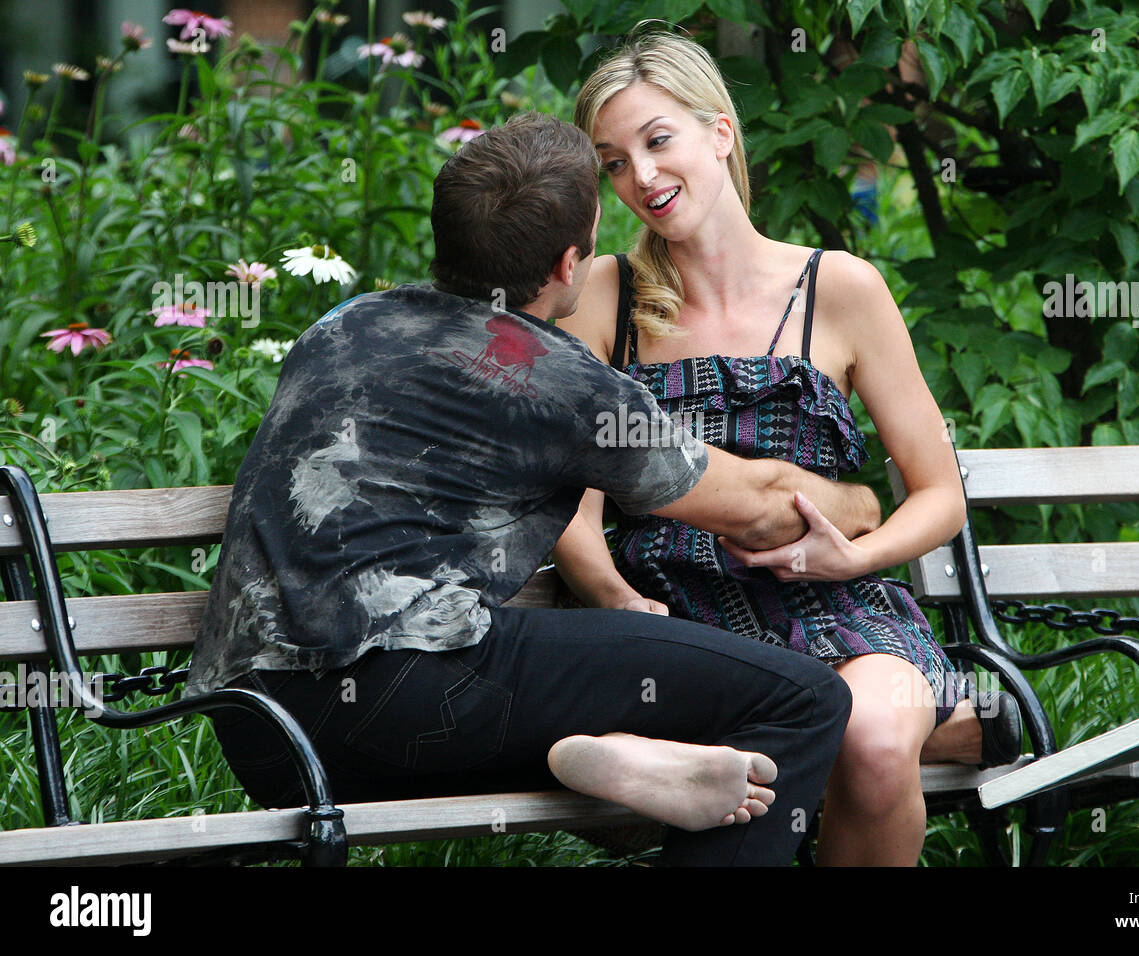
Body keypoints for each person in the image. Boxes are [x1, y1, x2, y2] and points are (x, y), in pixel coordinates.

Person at [185, 112, 884, 866]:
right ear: (567, 264)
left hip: (262, 733)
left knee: (541, 702)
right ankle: (615, 749)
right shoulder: (552, 378)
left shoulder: (345, 324)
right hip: (416, 685)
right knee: (803, 698)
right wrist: (864, 506)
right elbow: (757, 505)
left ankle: (601, 751)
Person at [554, 33, 1022, 866]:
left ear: (721, 133)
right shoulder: (606, 297)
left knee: (875, 742)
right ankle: (950, 724)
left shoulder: (839, 289)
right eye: (614, 162)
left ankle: (927, 718)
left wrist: (856, 556)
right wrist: (616, 601)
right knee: (800, 746)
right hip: (683, 615)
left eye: (658, 141)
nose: (643, 178)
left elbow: (940, 494)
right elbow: (570, 508)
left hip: (836, 603)